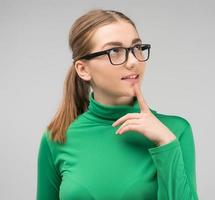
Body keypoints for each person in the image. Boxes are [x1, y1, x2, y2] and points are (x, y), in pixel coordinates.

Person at [36, 8, 199, 200]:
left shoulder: (175, 131)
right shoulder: (57, 137)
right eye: (115, 51)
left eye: (137, 48)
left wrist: (166, 144)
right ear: (83, 69)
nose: (133, 61)